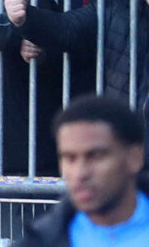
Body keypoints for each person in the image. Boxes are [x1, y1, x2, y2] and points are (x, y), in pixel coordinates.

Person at [19, 94, 149, 247]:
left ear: (134, 157)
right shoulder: (41, 240)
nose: (80, 173)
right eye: (70, 158)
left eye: (96, 156)